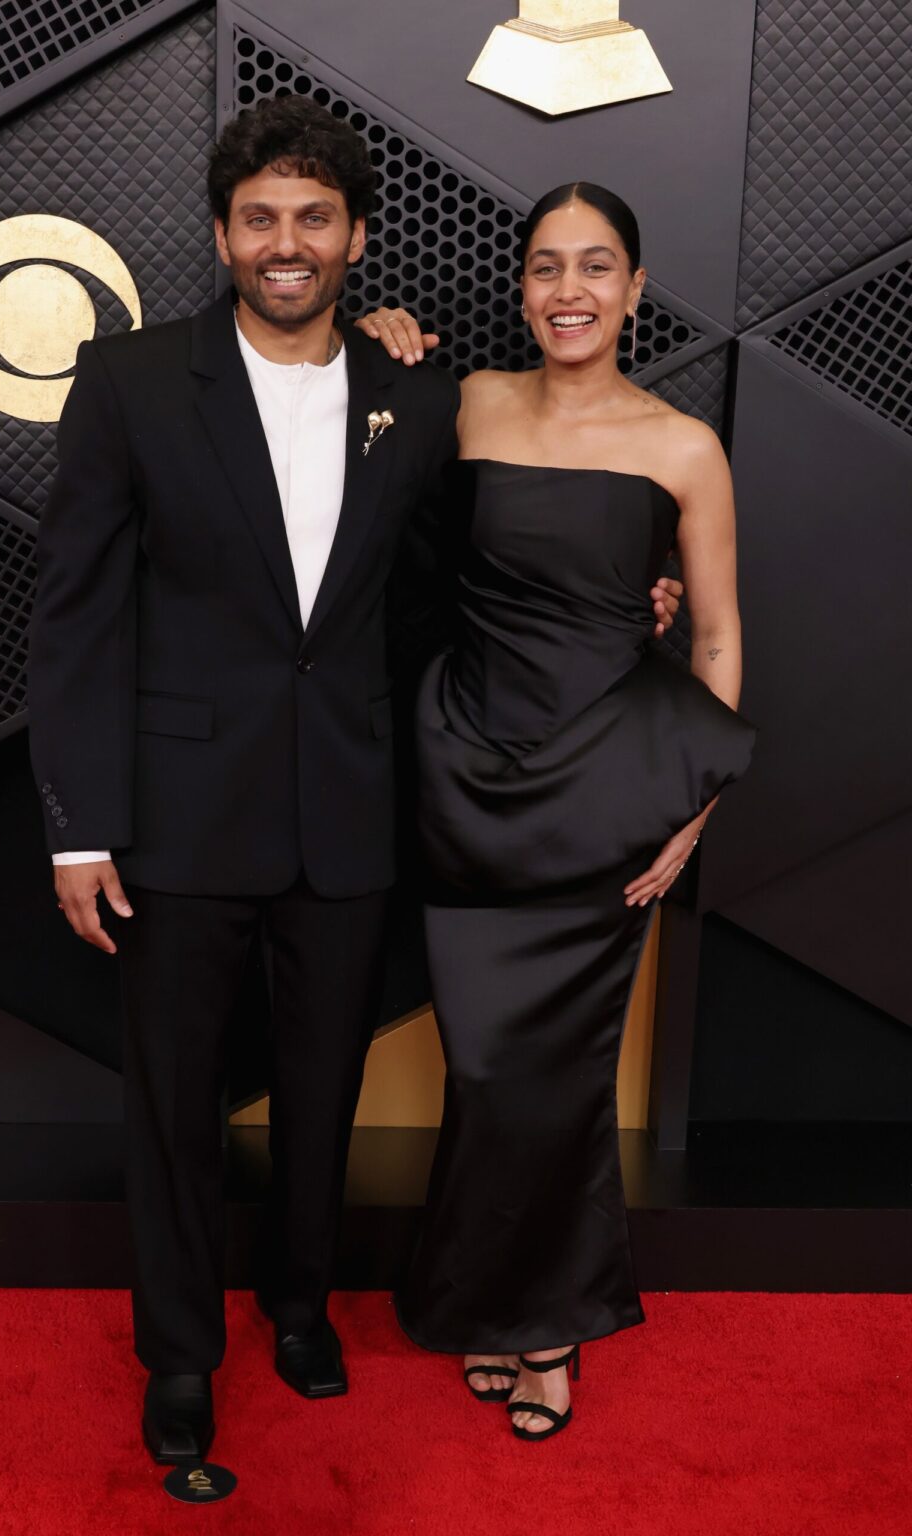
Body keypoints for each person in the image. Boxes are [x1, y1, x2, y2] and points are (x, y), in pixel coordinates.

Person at [28, 96, 681, 1468]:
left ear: (357, 239)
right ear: (222, 234)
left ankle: (302, 1306)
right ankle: (184, 1358)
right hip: (179, 821)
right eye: (260, 217)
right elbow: (76, 617)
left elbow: (466, 590)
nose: (286, 242)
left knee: (321, 1090)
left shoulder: (416, 394)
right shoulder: (133, 379)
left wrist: (628, 605)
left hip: (350, 814)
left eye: (313, 219)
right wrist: (79, 829)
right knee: (175, 1104)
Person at [356, 182, 755, 1441]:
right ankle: (484, 1298)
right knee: (482, 1069)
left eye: (596, 266)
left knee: (557, 1073)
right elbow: (366, 518)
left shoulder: (683, 445)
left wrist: (694, 805)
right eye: (545, 266)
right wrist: (375, 342)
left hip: (604, 797)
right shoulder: (465, 402)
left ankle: (543, 1325)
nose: (568, 289)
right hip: (464, 775)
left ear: (636, 288)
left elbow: (719, 636)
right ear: (520, 286)